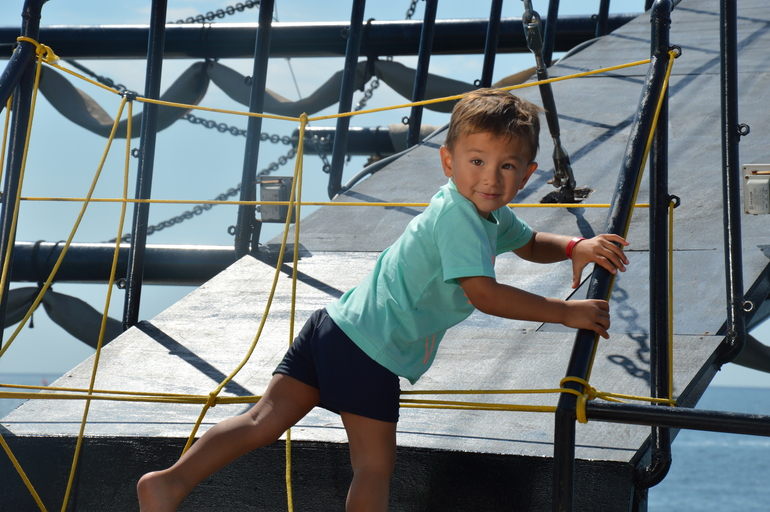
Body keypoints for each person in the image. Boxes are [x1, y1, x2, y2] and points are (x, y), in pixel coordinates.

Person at [137, 88, 629, 512]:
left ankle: (168, 483)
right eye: (477, 161)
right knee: (373, 467)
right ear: (448, 161)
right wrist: (565, 312)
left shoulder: (482, 213)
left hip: (334, 325)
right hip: (368, 348)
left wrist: (574, 246)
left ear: (526, 174)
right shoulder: (461, 219)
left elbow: (529, 242)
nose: (491, 179)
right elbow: (484, 295)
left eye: (507, 167)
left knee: (260, 421)